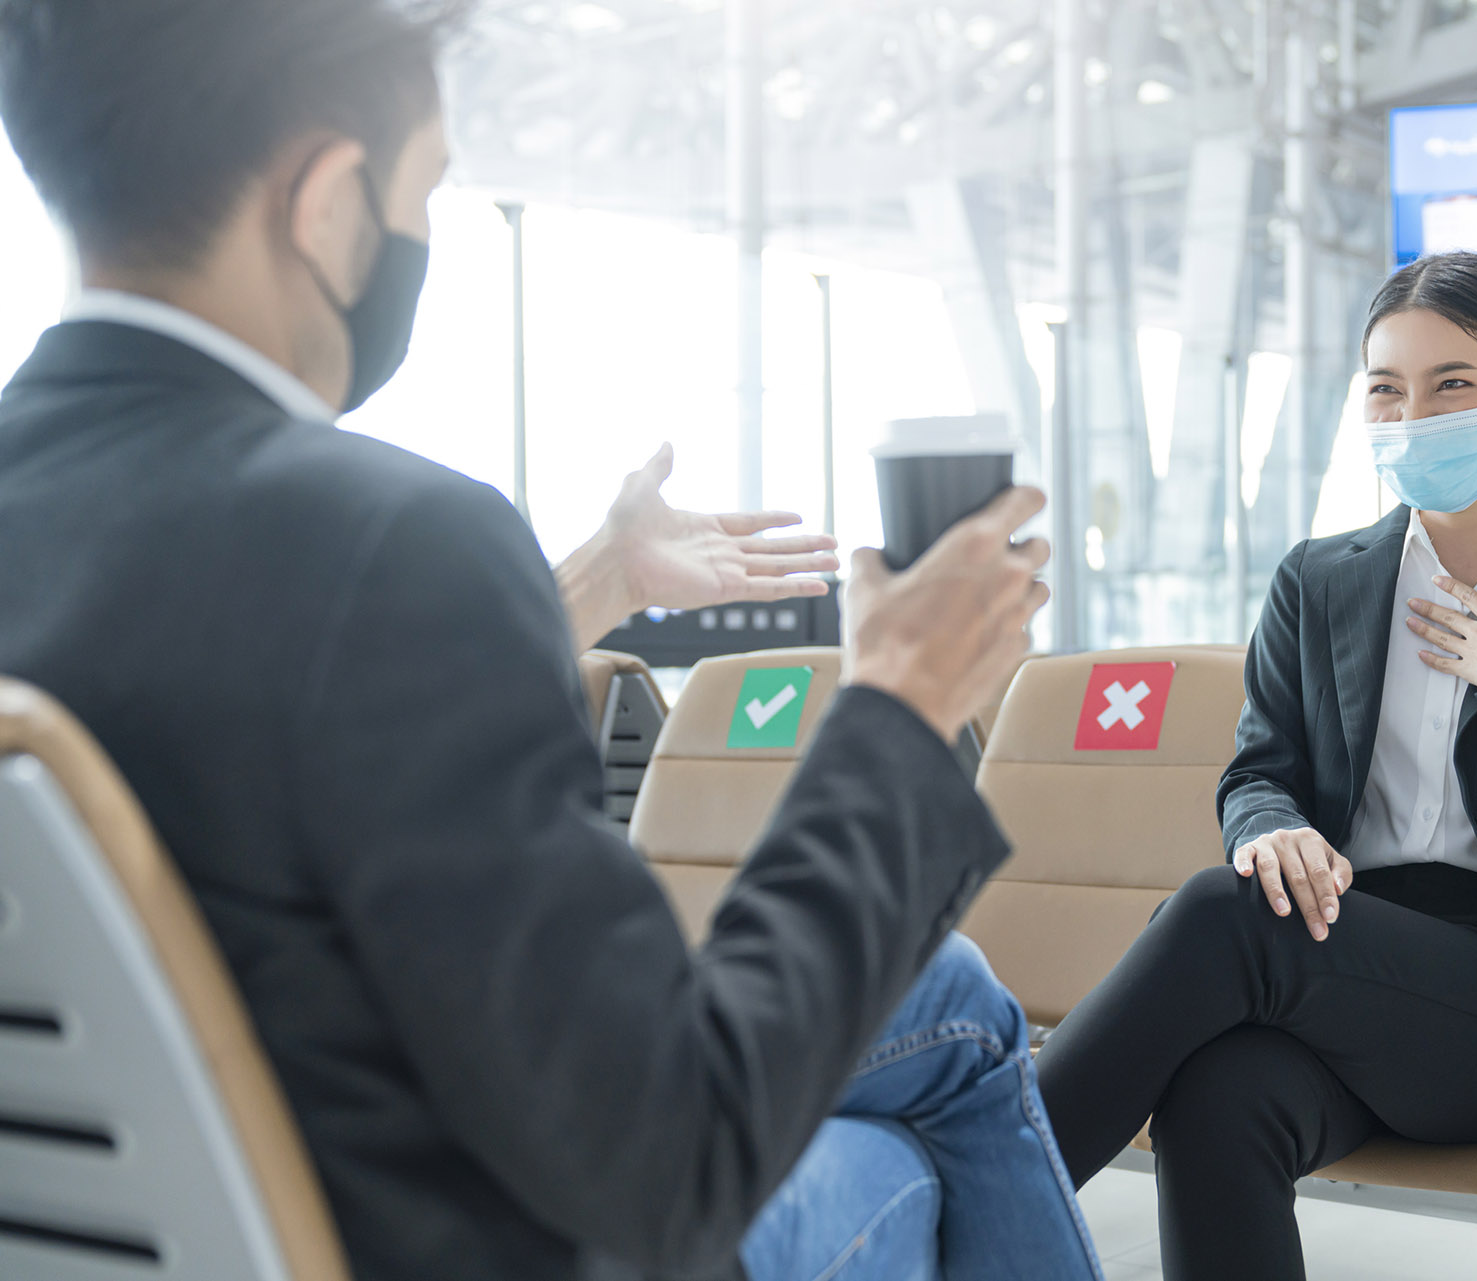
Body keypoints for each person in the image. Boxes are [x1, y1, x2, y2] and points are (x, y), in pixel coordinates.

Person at [0, 3, 1106, 1280]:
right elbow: (673, 1158)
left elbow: (247, 687)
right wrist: (904, 708)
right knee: (946, 1062)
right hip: (488, 1230)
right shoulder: (388, 539)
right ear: (326, 202)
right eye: (425, 192)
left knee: (936, 1023)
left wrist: (590, 578)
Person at [1034, 251, 1477, 1281]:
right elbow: (1258, 773)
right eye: (1387, 389)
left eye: (1453, 385)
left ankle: (963, 1210)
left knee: (1221, 914)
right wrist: (1268, 830)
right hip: (1338, 965)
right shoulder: (1319, 580)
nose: (1413, 416)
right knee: (1218, 1095)